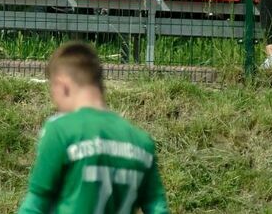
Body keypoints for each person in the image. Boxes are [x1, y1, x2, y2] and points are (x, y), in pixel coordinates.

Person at [17, 41, 169, 214]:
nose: (54, 101)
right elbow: (157, 207)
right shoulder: (142, 142)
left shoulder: (60, 131)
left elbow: (36, 204)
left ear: (62, 85)